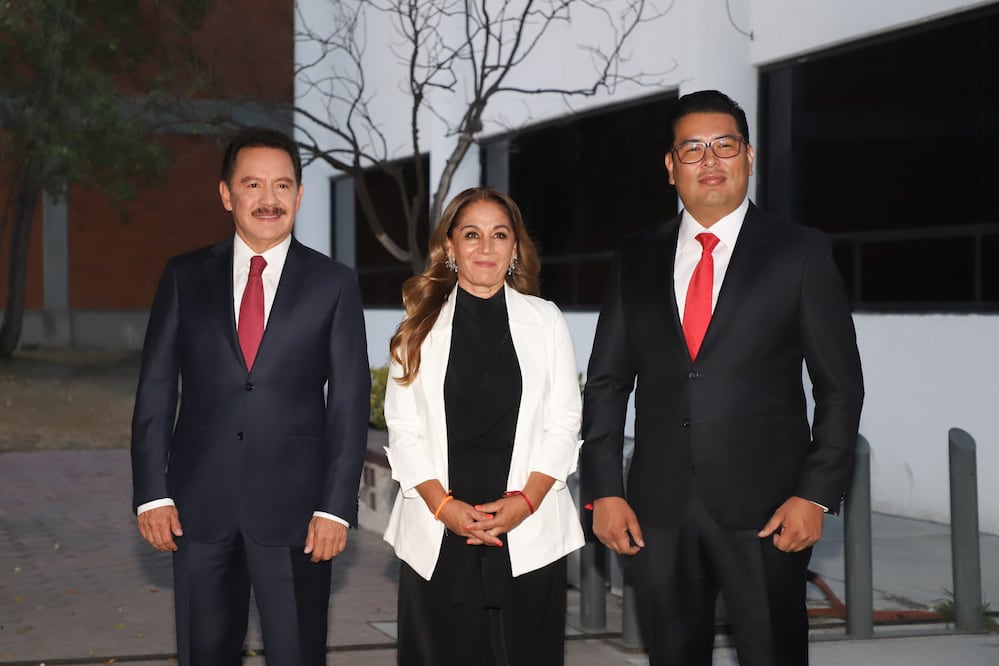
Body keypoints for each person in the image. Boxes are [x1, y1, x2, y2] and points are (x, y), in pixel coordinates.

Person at [580, 90, 864, 666]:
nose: (710, 161)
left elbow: (840, 386)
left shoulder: (800, 252)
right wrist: (604, 490)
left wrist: (816, 495)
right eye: (692, 148)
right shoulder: (635, 257)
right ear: (670, 166)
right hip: (659, 508)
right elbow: (607, 382)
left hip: (770, 509)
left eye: (724, 145)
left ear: (750, 157)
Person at [130, 127, 371, 665]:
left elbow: (351, 403)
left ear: (300, 196)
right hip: (196, 508)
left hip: (298, 515)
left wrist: (335, 508)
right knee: (203, 652)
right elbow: (155, 389)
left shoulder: (333, 283)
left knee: (296, 653)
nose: (269, 199)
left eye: (283, 186)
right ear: (226, 194)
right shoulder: (183, 275)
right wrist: (152, 492)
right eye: (253, 184)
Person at [382, 187, 585, 665]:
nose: (486, 248)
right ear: (449, 247)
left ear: (516, 249)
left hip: (527, 519)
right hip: (440, 521)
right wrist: (444, 507)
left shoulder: (546, 320)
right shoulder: (417, 328)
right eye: (471, 235)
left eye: (500, 235)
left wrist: (526, 501)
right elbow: (403, 432)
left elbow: (564, 423)